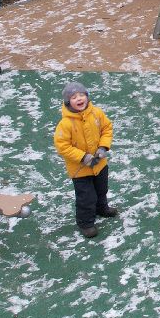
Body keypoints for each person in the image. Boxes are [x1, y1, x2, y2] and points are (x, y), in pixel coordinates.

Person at [52, 82, 119, 239]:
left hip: (100, 164)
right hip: (80, 170)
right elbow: (62, 146)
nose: (79, 99)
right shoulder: (66, 123)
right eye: (74, 97)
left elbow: (107, 128)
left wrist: (103, 147)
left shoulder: (96, 113)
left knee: (102, 189)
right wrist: (83, 157)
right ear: (69, 102)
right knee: (86, 197)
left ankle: (101, 208)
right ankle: (85, 222)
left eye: (82, 95)